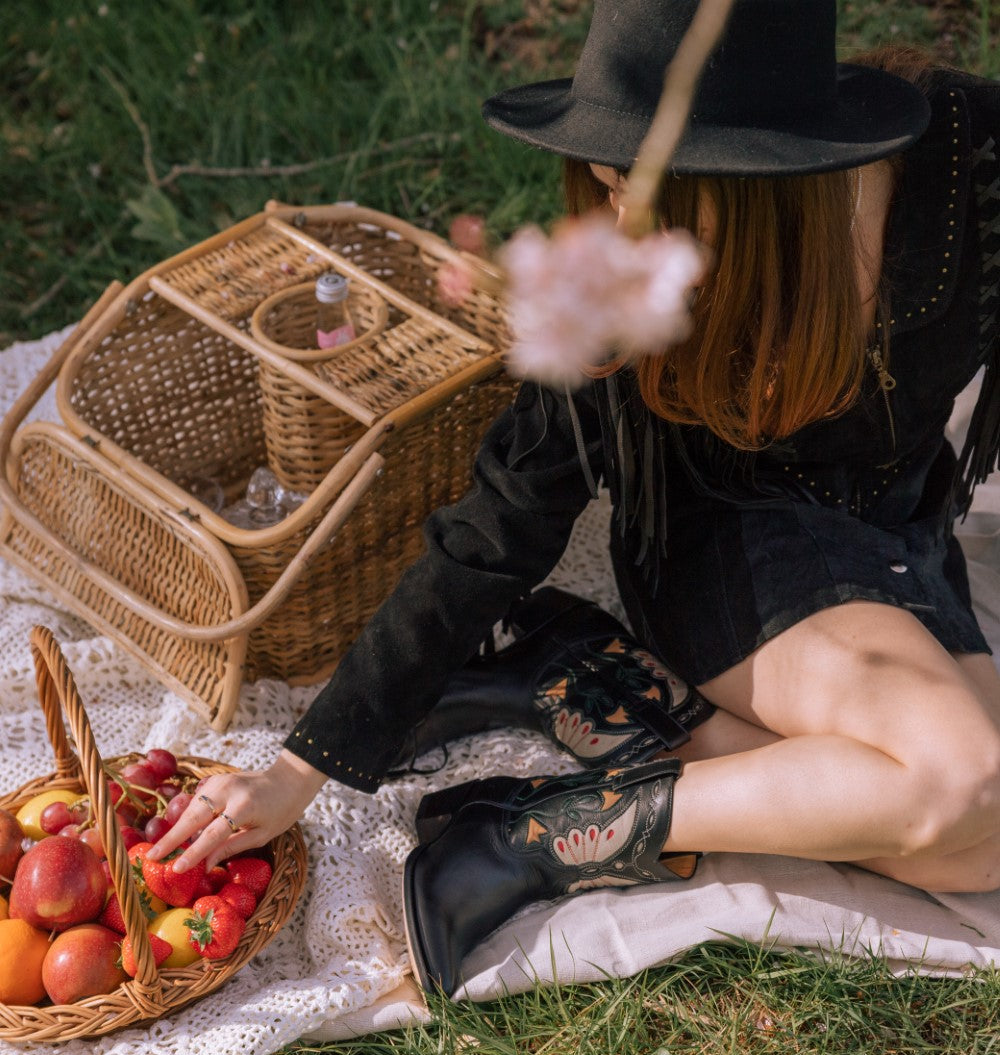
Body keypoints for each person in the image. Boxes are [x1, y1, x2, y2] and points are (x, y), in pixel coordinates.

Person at [150, 0, 1000, 996]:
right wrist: (303, 768)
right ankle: (532, 833)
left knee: (976, 842)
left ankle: (599, 684)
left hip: (894, 530)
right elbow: (500, 520)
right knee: (960, 781)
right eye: (603, 180)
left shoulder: (963, 169)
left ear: (775, 175)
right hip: (731, 548)